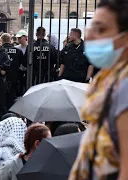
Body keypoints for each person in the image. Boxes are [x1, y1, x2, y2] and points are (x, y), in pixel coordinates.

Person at [69, 0, 128, 179]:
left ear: (124, 38)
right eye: (91, 29)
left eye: (101, 29)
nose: (92, 36)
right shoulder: (108, 78)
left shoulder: (124, 84)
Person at [1, 33, 26, 108]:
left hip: (1, 78)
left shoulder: (0, 51)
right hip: (15, 78)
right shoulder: (18, 51)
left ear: (2, 41)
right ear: (11, 40)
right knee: (13, 99)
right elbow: (23, 65)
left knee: (2, 99)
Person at [15, 30, 28, 96]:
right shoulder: (16, 48)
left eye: (20, 37)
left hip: (28, 71)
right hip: (19, 71)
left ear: (25, 37)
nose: (19, 39)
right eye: (18, 38)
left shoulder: (30, 47)